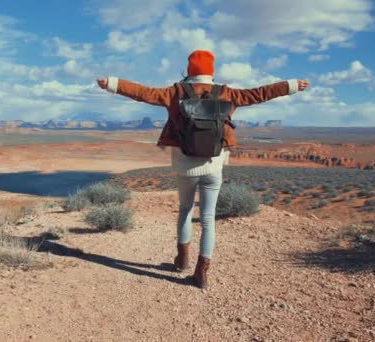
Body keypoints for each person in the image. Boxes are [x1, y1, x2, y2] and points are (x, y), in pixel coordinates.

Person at [97, 50, 309, 289]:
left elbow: (143, 93)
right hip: (214, 164)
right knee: (208, 218)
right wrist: (290, 85)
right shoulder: (226, 93)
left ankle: (182, 259)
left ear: (189, 70)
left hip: (185, 163)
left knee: (185, 210)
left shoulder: (175, 92)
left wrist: (113, 84)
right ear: (212, 71)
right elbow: (259, 94)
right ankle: (202, 272)